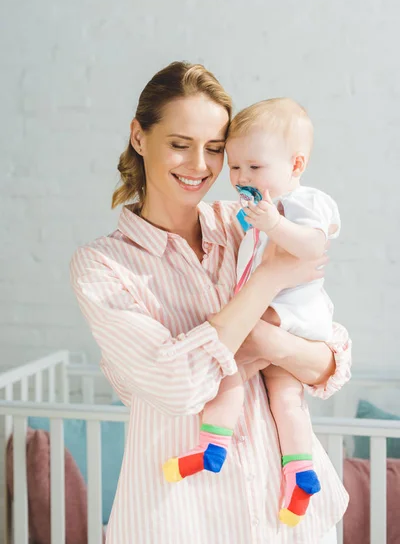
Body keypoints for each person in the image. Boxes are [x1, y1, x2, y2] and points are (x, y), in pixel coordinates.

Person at [70, 61, 351, 544]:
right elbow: (177, 385)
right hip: (182, 522)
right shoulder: (103, 265)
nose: (200, 165)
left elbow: (329, 359)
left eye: (216, 149)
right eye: (180, 145)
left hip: (289, 524)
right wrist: (266, 282)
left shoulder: (244, 222)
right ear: (139, 137)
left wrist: (258, 340)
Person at [163, 97, 342, 531]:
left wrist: (273, 225)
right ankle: (300, 474)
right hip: (283, 314)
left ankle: (213, 445)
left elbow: (315, 248)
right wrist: (257, 225)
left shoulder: (305, 202)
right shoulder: (253, 214)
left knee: (227, 363)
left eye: (255, 168)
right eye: (236, 167)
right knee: (286, 399)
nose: (241, 177)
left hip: (290, 312)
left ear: (296, 165)